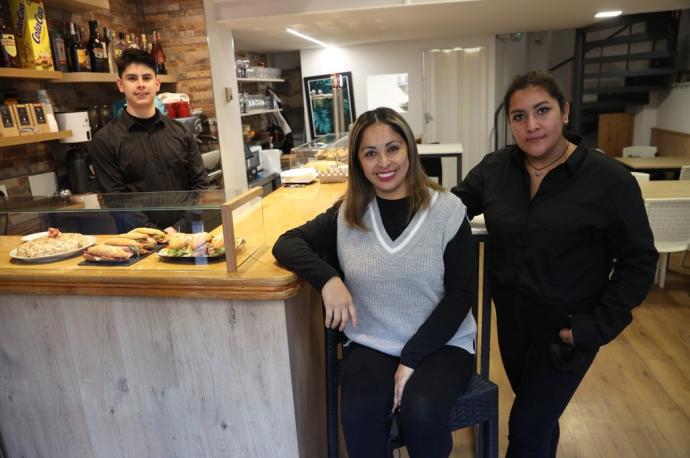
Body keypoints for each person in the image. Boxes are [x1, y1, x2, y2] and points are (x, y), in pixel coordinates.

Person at [453, 70, 657, 457]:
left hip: (567, 330)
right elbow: (449, 210)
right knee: (539, 418)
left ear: (564, 112)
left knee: (525, 428)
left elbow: (640, 259)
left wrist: (597, 326)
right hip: (512, 323)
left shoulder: (609, 180)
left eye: (541, 110)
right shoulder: (495, 169)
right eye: (518, 116)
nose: (531, 125)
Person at [273, 107, 477, 457]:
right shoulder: (347, 214)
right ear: (359, 163)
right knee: (358, 417)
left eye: (393, 148)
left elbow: (461, 295)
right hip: (373, 341)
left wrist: (411, 359)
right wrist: (329, 280)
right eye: (370, 153)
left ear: (410, 150)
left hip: (441, 344)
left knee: (422, 409)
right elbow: (287, 243)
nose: (384, 162)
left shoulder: (447, 210)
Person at [89, 48, 209, 231]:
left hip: (187, 237)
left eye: (146, 78)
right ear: (120, 85)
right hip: (139, 244)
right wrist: (154, 234)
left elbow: (200, 185)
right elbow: (115, 199)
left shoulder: (181, 132)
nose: (140, 84)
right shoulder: (105, 140)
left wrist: (179, 227)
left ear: (157, 84)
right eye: (132, 78)